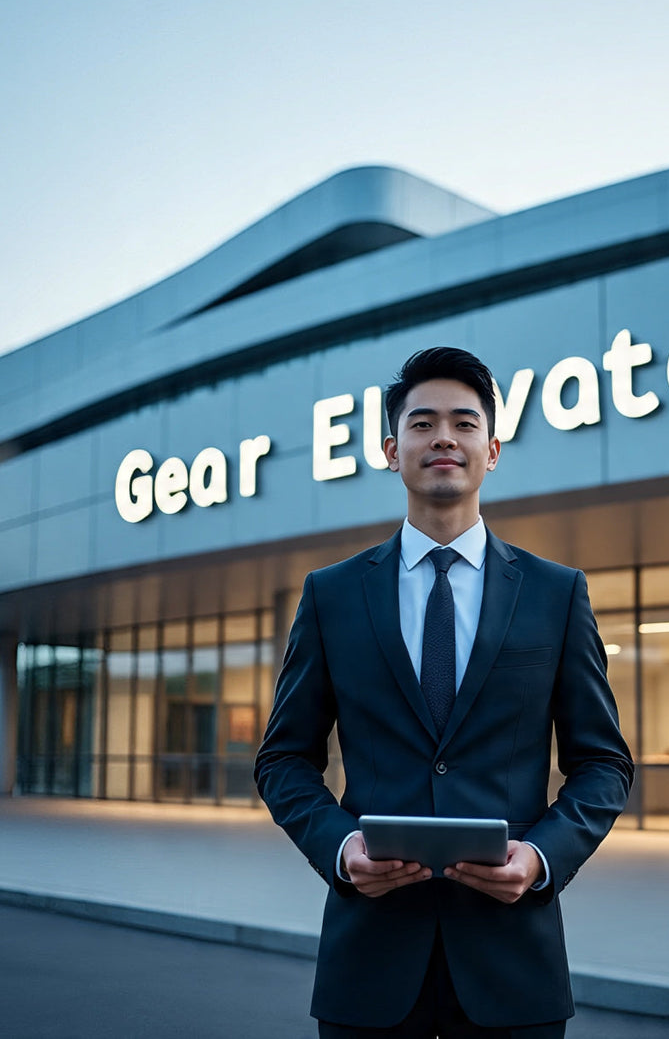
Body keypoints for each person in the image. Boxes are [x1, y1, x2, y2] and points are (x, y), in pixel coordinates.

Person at [255, 346, 634, 1038]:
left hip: (512, 963)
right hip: (368, 961)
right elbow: (282, 760)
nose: (443, 439)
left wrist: (544, 856)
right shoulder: (332, 595)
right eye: (423, 423)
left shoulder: (555, 593)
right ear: (391, 449)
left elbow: (604, 764)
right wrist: (340, 848)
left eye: (463, 423)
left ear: (492, 451)